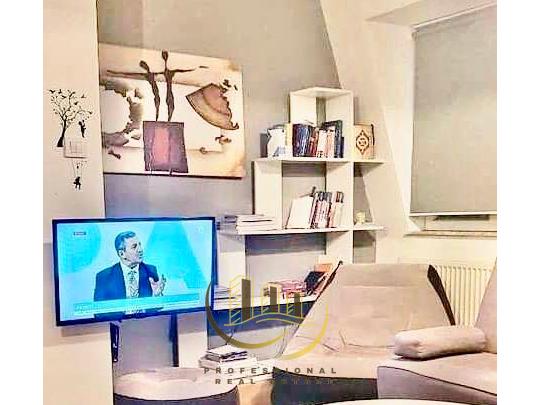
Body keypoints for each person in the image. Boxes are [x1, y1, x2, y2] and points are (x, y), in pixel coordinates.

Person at [93, 231, 166, 319]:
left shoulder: (150, 271)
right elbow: (98, 313)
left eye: (140, 245)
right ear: (122, 254)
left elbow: (157, 309)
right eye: (134, 247)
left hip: (145, 323)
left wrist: (156, 297)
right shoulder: (104, 277)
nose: (140, 250)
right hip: (118, 323)